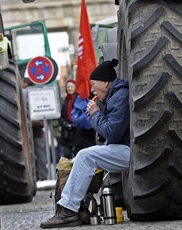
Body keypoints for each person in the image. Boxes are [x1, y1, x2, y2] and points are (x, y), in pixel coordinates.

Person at [40, 59, 130, 228]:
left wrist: (95, 114)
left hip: (129, 151)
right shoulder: (115, 96)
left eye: (93, 84)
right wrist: (98, 113)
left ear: (105, 82)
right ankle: (79, 208)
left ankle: (68, 211)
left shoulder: (119, 96)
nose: (91, 89)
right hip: (125, 148)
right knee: (78, 159)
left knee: (86, 156)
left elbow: (112, 133)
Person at [22, 77, 48, 181]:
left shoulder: (31, 98)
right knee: (37, 153)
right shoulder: (33, 97)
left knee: (38, 152)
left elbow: (39, 118)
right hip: (34, 130)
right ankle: (39, 175)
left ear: (25, 83)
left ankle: (41, 175)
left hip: (34, 130)